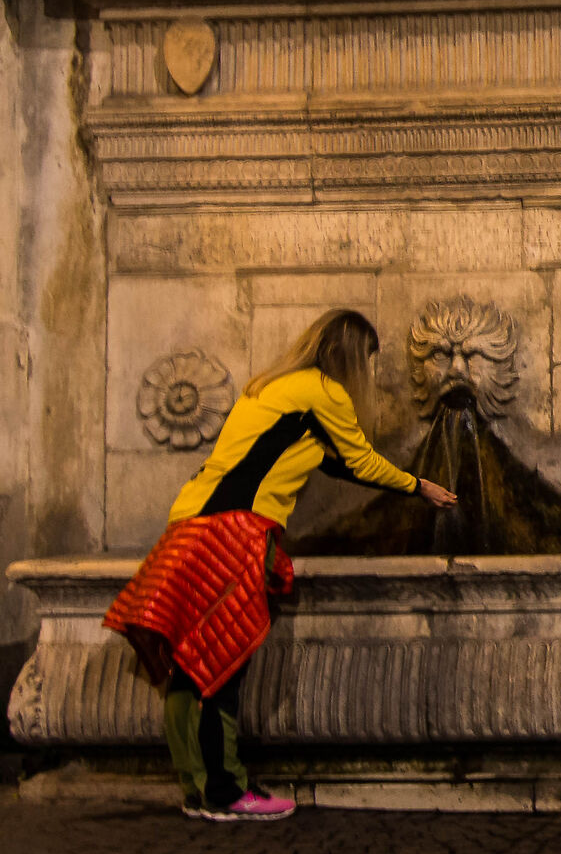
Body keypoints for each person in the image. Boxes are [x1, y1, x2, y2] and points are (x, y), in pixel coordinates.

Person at [102, 309, 457, 821]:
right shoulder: (324, 391)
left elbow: (326, 459)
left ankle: (197, 788)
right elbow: (358, 460)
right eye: (369, 362)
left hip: (189, 525)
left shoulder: (267, 389)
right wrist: (416, 485)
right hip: (235, 532)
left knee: (189, 661)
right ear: (352, 358)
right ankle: (228, 792)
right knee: (222, 662)